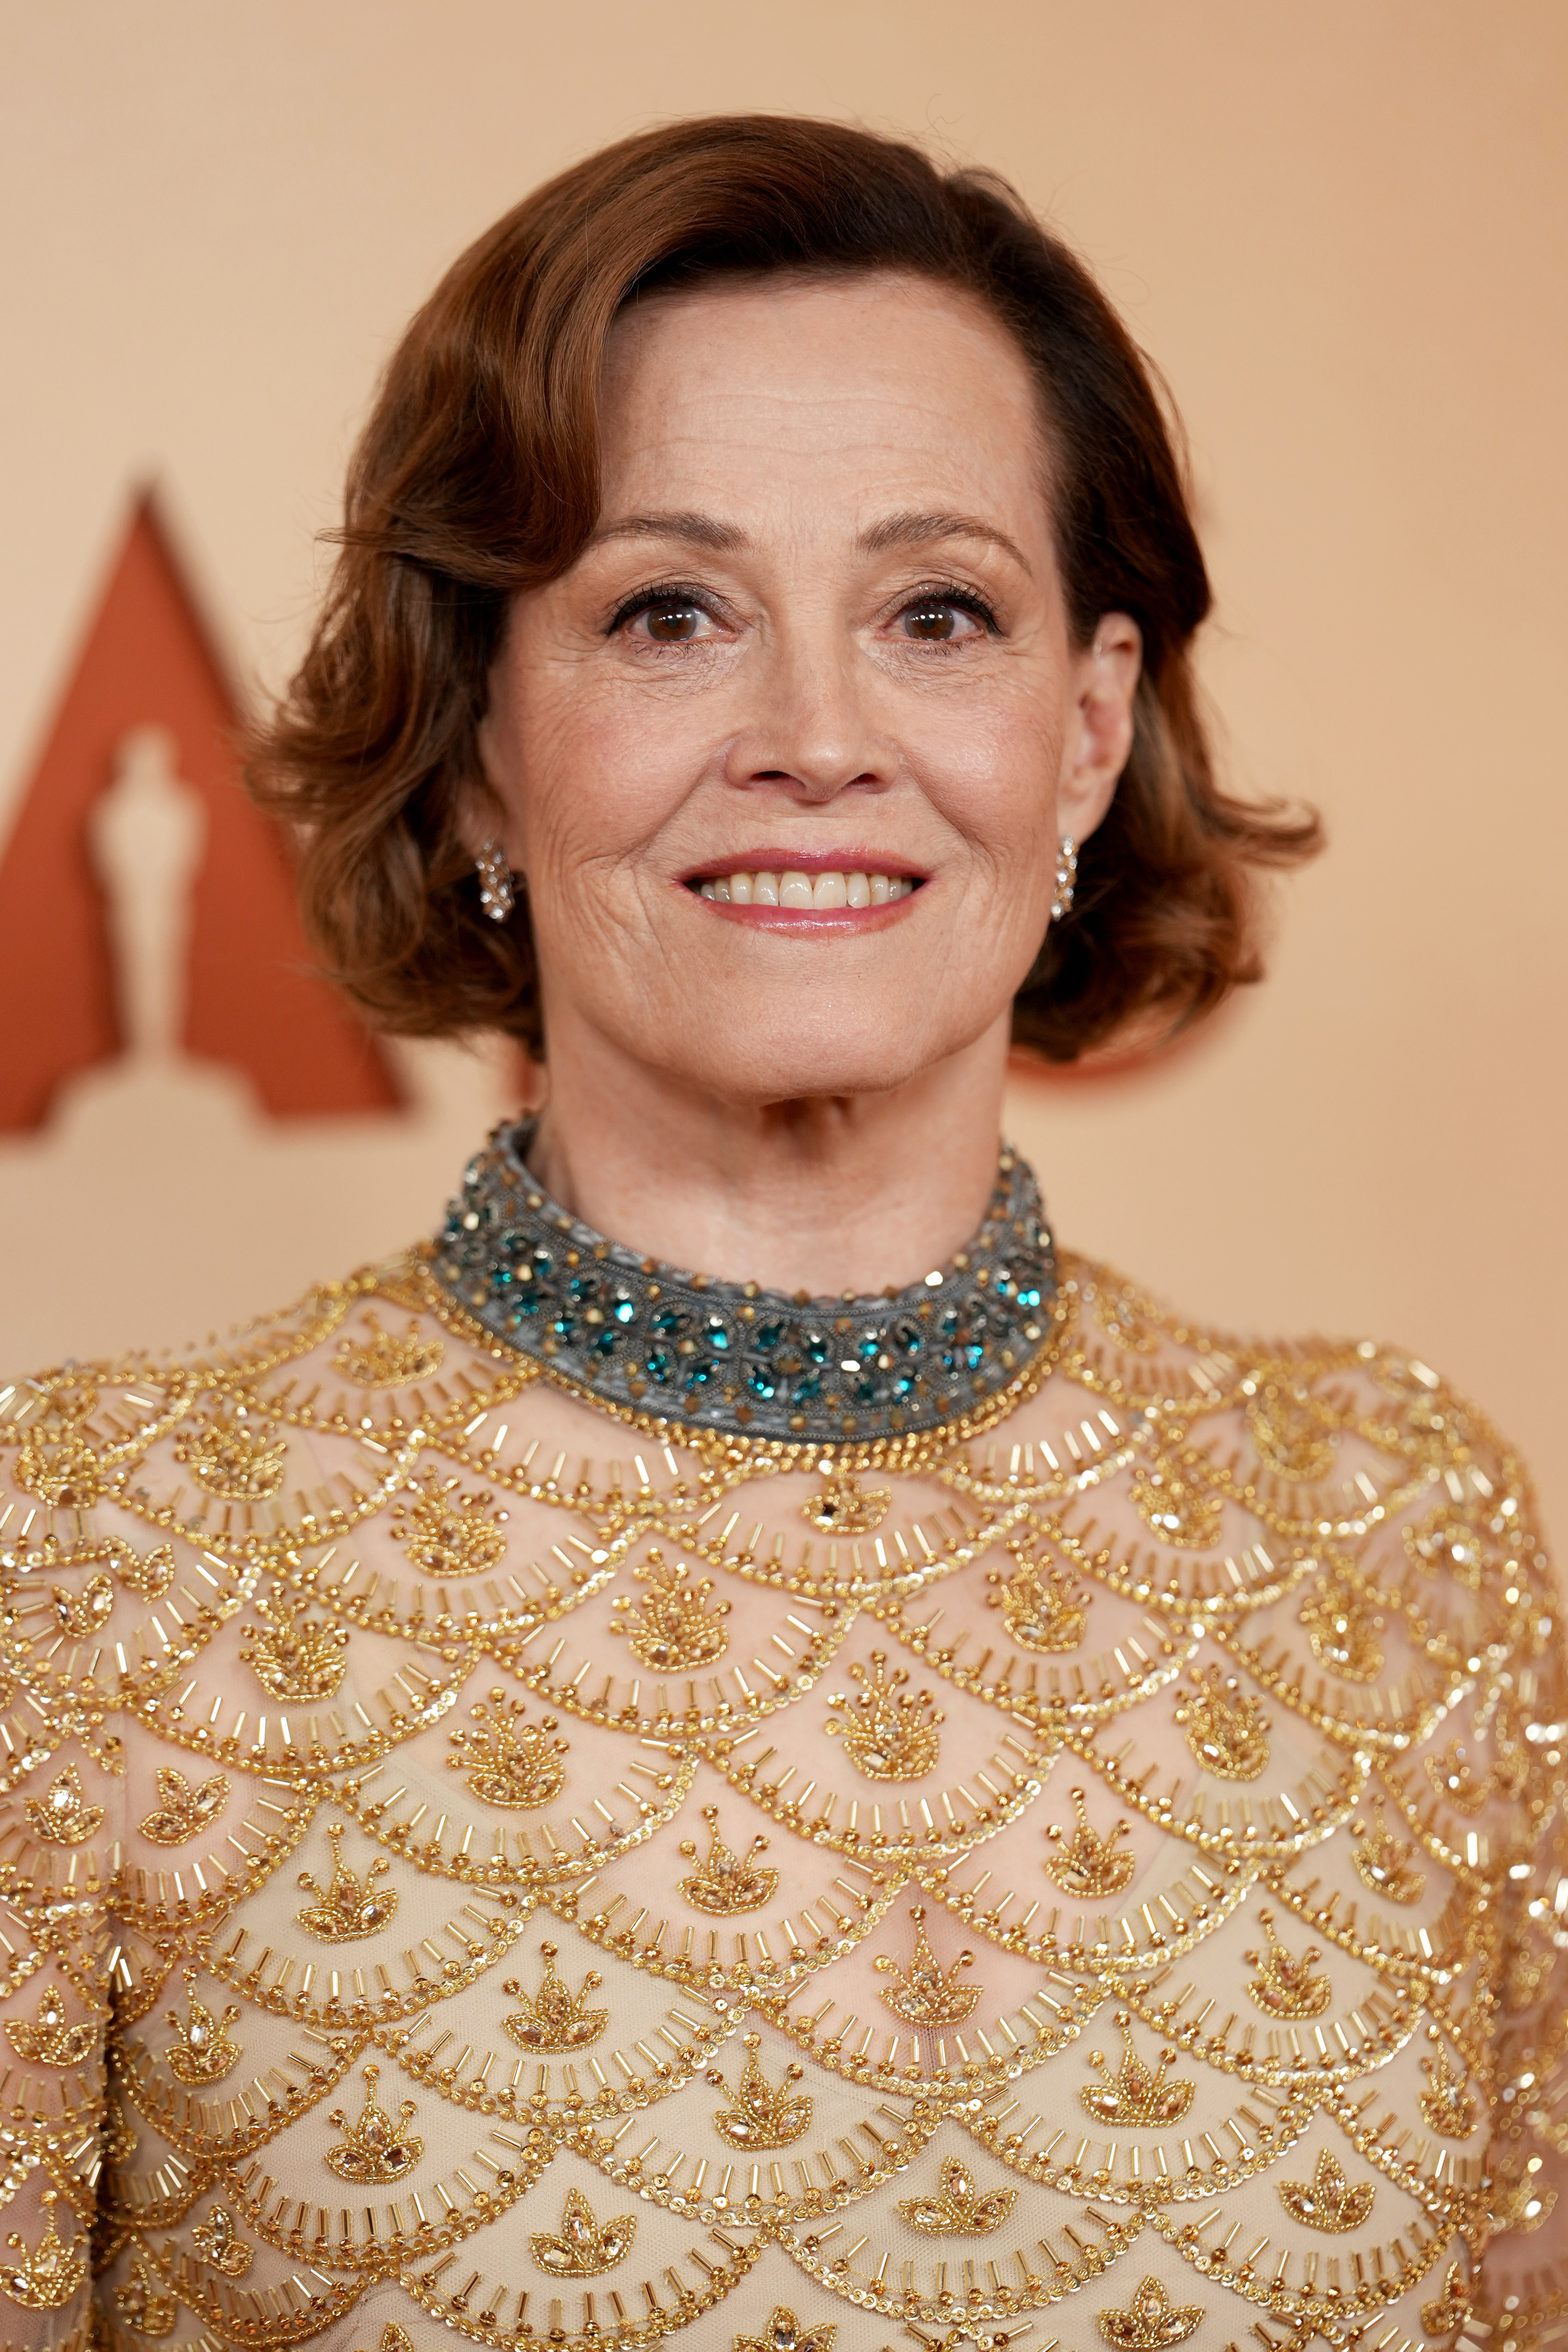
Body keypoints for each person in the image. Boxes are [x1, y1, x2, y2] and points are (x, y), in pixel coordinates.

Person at [1, 115, 1559, 2352]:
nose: (818, 737)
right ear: (472, 752)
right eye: (670, 612)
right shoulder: (87, 1568)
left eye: (939, 612)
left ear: (1090, 729)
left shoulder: (1399, 1545)